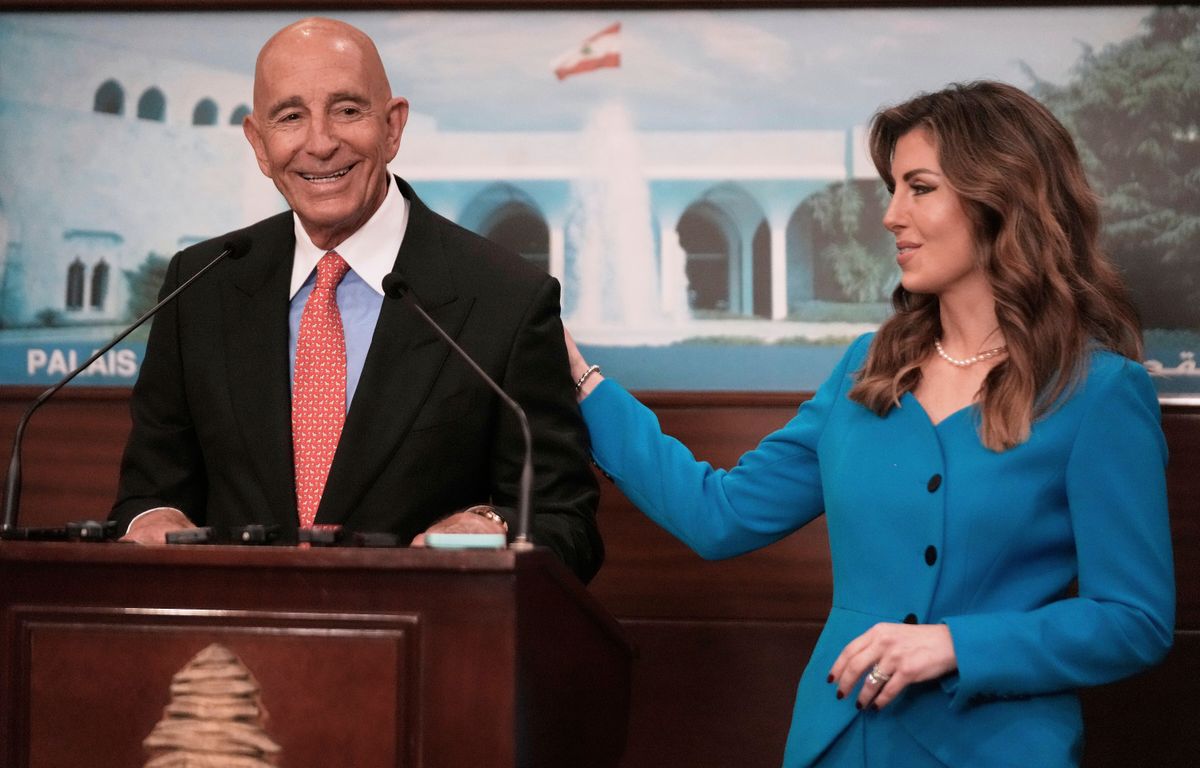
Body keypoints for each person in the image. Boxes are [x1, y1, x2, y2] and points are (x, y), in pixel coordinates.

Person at [564, 81, 1174, 765]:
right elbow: (720, 514)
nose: (890, 216)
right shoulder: (865, 367)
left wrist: (955, 645)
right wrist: (583, 383)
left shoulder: (1100, 393)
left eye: (919, 188)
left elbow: (1134, 620)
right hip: (837, 742)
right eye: (893, 189)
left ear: (1000, 197)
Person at [109, 17, 603, 583]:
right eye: (290, 117)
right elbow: (149, 490)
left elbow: (565, 523)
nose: (320, 143)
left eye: (347, 110)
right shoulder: (201, 284)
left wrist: (491, 523)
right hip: (236, 632)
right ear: (259, 145)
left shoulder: (505, 297)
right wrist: (151, 518)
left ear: (392, 127)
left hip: (422, 629)